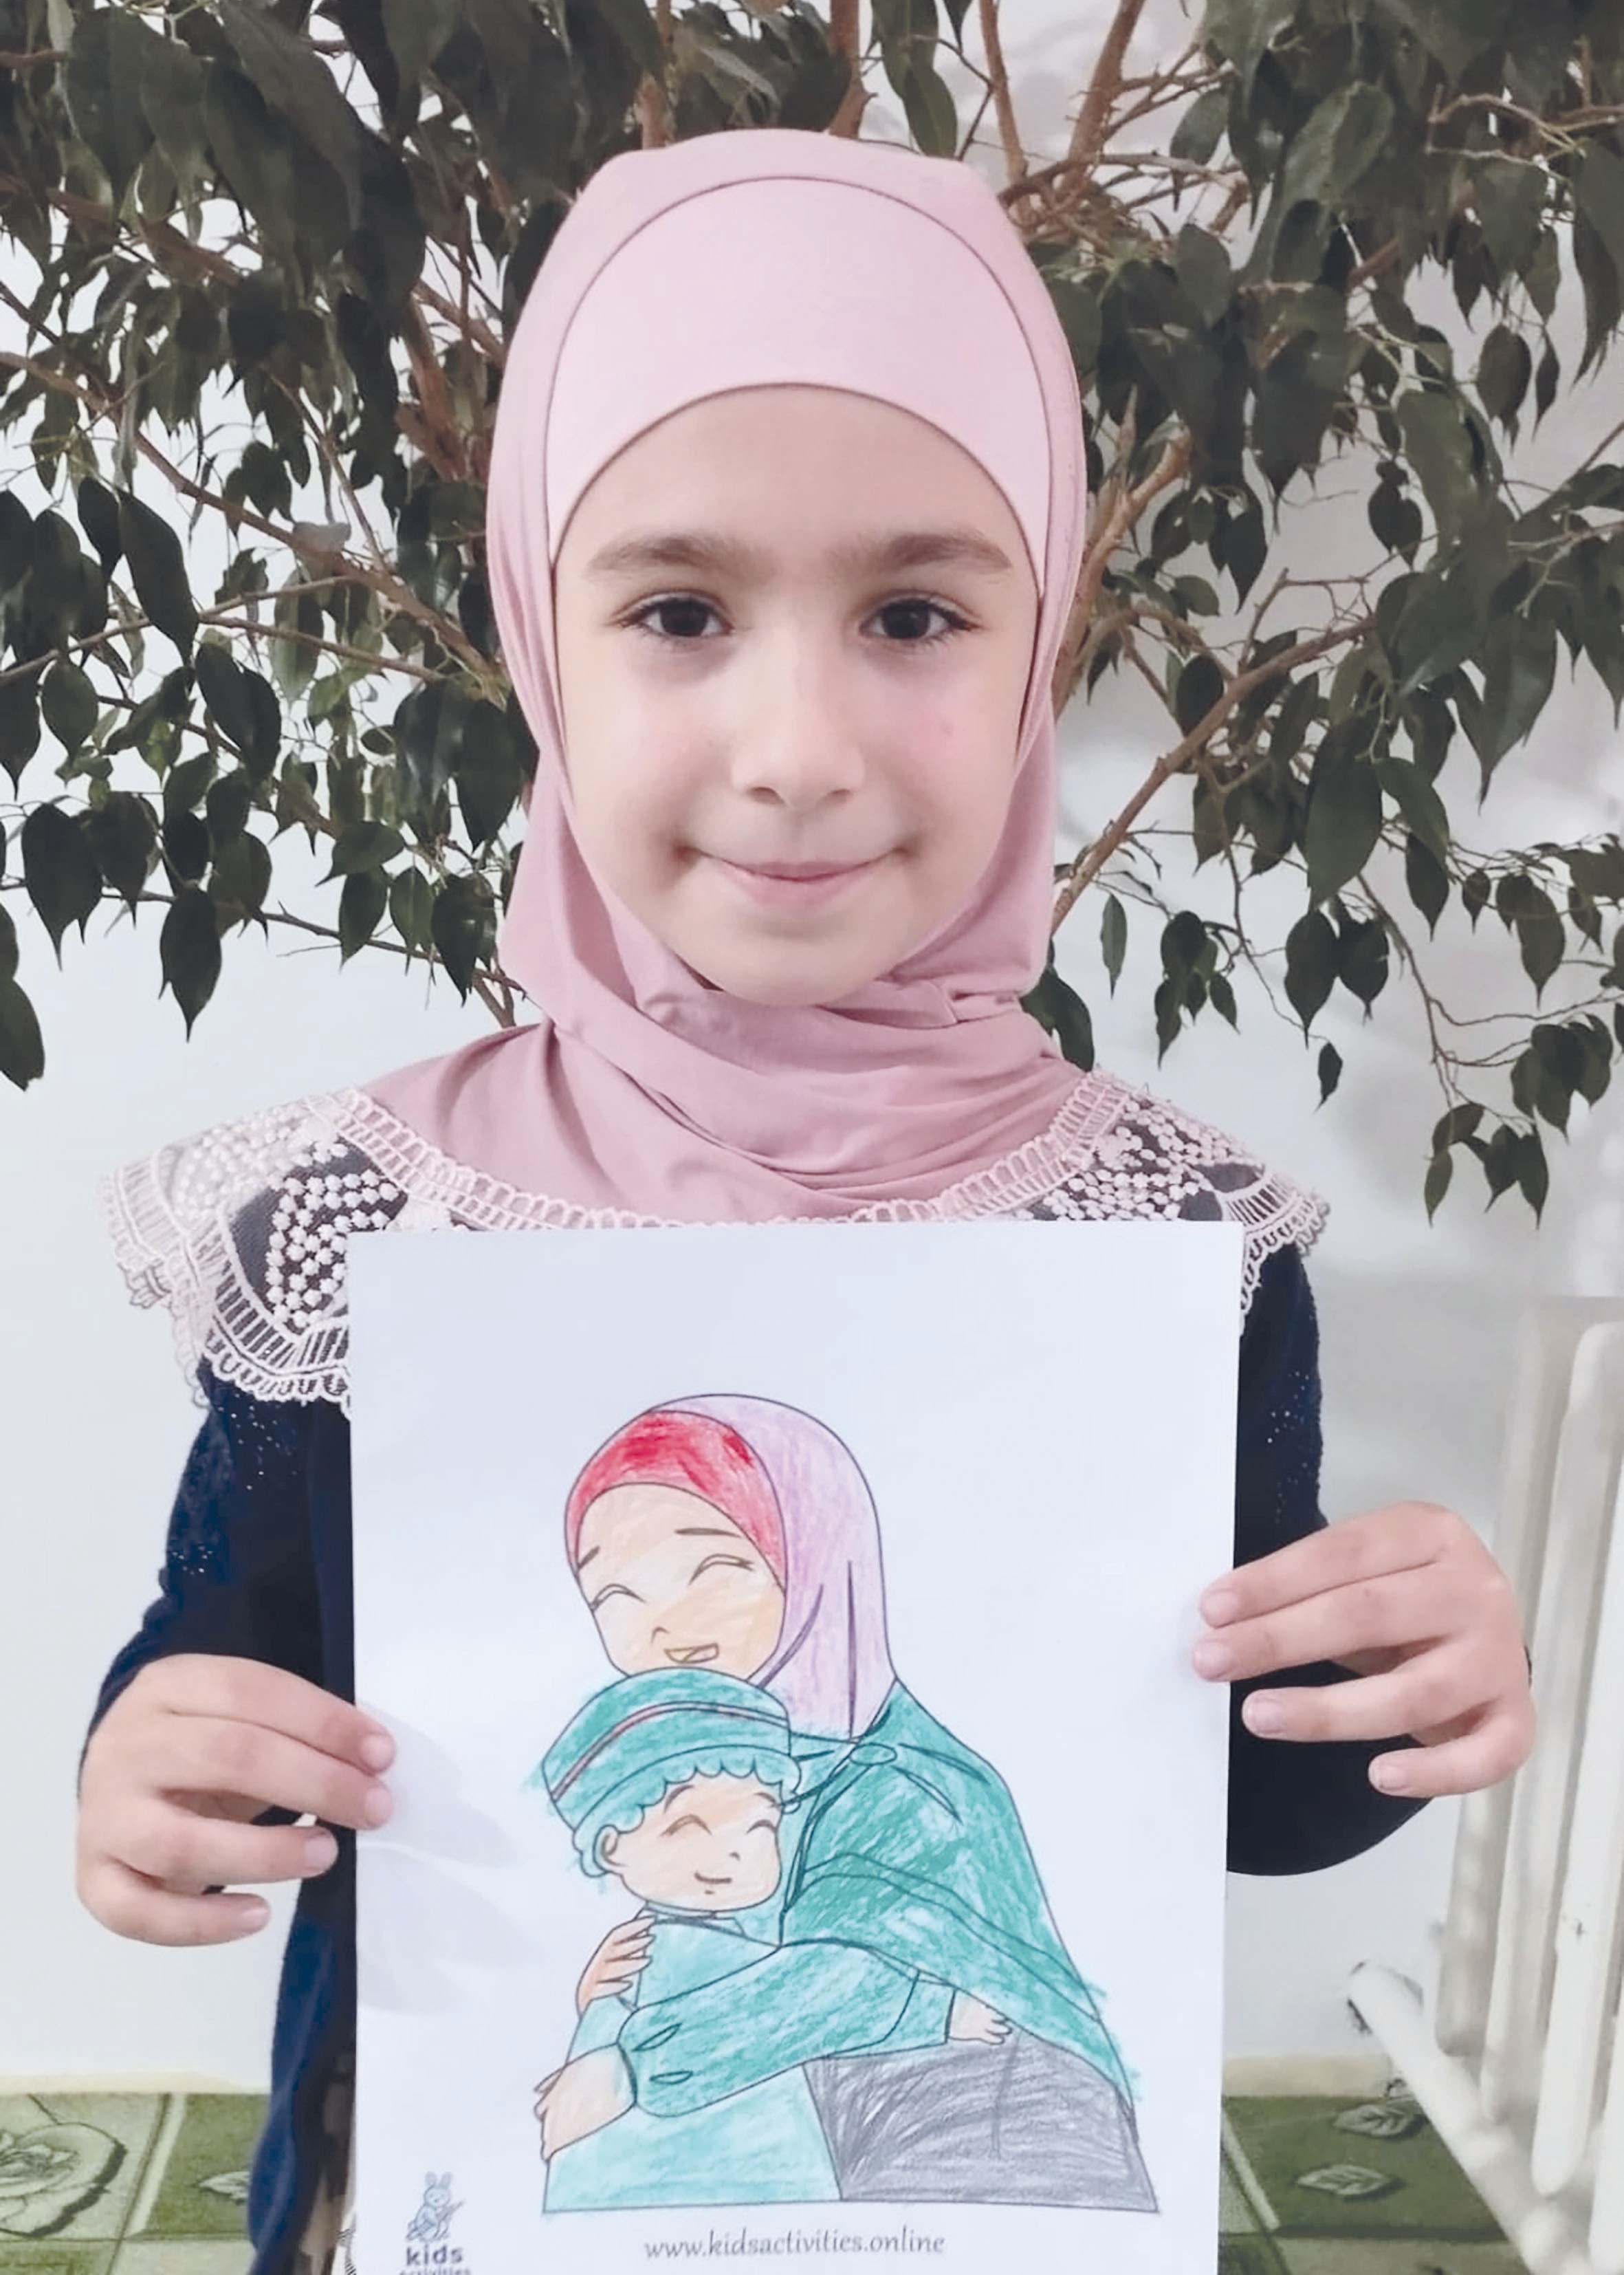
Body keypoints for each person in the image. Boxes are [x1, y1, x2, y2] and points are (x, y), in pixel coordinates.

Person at [72, 124, 1535, 2275]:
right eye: (677, 611)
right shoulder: (367, 1228)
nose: (797, 745)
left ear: (1037, 642)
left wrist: (1389, 1690)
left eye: (913, 614)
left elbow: (1217, 1794)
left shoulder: (1161, 1250)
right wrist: (159, 1765)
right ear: (542, 638)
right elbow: (231, 1650)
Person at [540, 1396, 1158, 2213]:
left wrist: (629, 2068)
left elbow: (845, 1979)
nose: (668, 1627)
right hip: (817, 2137)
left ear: (816, 1556)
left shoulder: (907, 1779)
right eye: (615, 1595)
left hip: (994, 2139)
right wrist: (618, 1989)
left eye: (714, 1568)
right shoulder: (717, 1760)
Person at [532, 1667, 843, 2211]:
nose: (733, 1852)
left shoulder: (642, 1947)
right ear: (611, 1846)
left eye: (760, 1827)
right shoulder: (683, 1948)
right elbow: (826, 2000)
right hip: (725, 2182)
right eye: (686, 1828)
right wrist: (945, 2012)